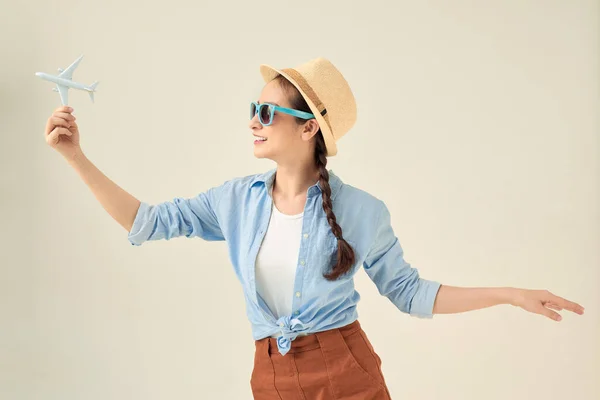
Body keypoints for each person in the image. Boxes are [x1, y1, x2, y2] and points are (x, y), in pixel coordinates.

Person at [44, 57, 585, 400]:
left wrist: (510, 294)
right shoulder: (234, 202)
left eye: (266, 111)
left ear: (309, 130)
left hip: (346, 372)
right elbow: (146, 222)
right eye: (251, 109)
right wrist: (75, 156)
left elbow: (411, 292)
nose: (253, 121)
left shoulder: (362, 210)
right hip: (270, 375)